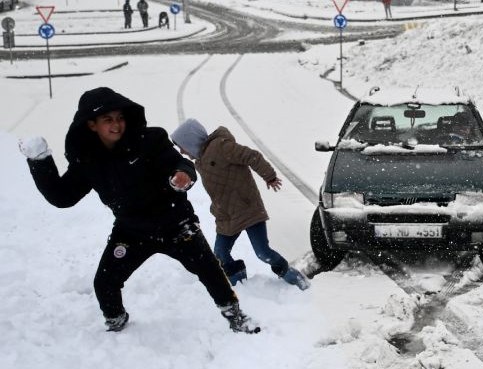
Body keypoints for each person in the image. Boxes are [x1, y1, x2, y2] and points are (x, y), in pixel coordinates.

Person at [18, 87, 260, 334]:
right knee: (105, 283)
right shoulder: (88, 160)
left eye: (120, 118)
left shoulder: (150, 140)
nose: (117, 125)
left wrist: (183, 174)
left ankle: (236, 316)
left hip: (176, 224)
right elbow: (62, 196)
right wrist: (40, 162)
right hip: (131, 231)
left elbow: (180, 162)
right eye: (108, 120)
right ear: (92, 125)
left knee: (210, 271)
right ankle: (116, 322)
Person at [171, 119, 311, 291]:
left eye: (182, 146)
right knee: (221, 256)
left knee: (262, 252)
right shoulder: (200, 161)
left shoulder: (221, 147)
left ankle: (295, 278)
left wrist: (270, 176)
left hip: (248, 209)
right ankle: (241, 287)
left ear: (190, 141)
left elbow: (252, 156)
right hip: (226, 216)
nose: (182, 151)